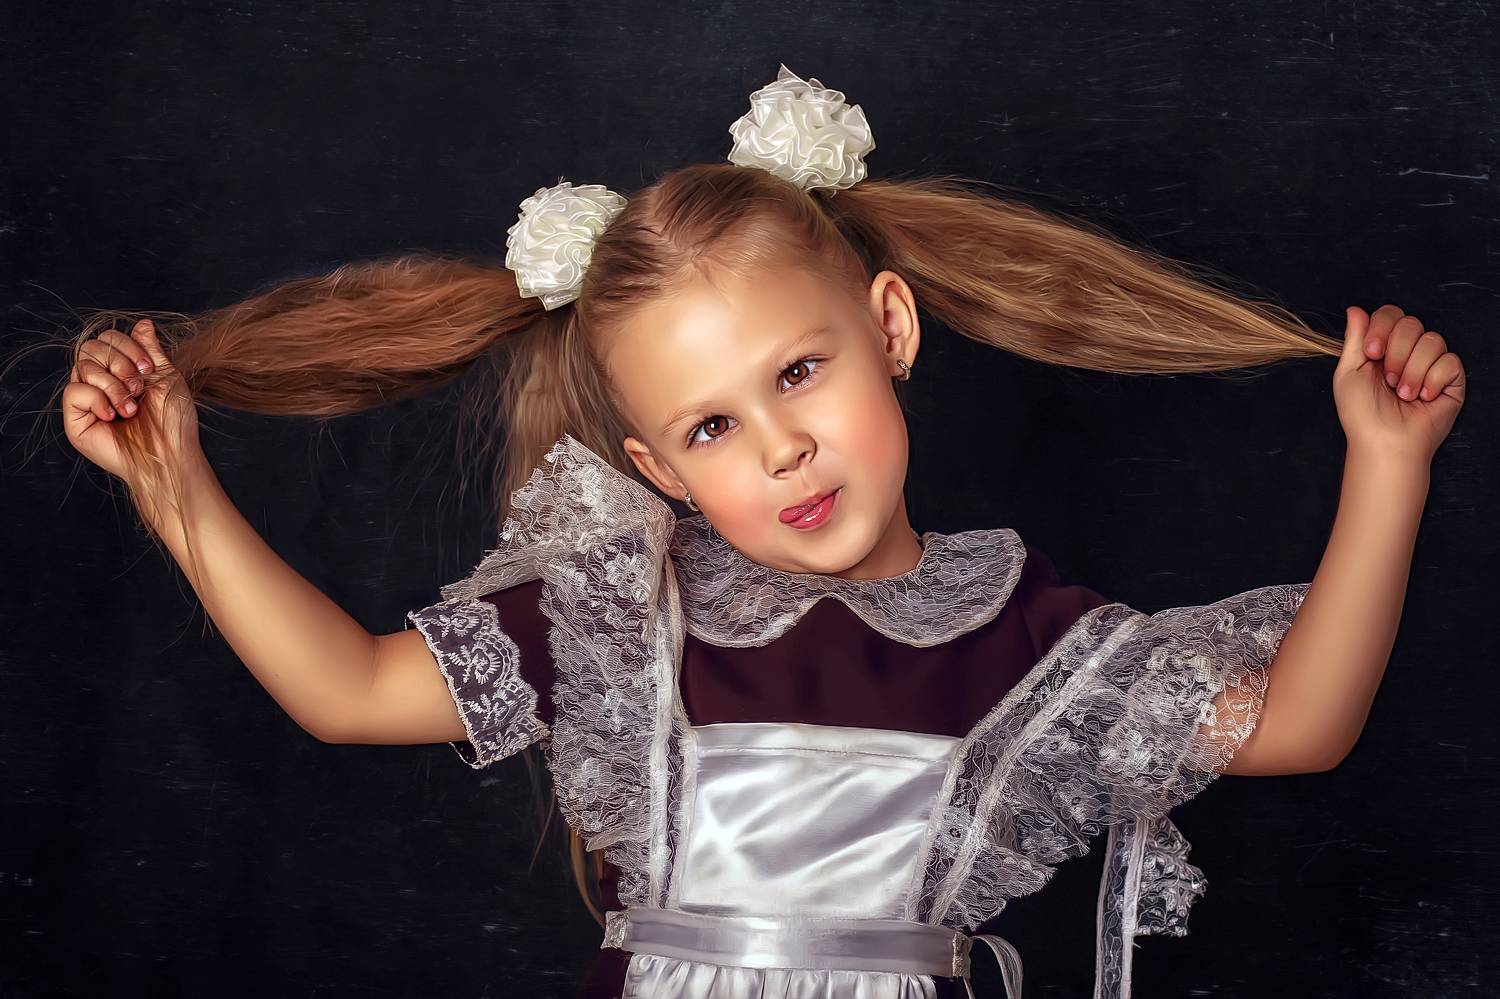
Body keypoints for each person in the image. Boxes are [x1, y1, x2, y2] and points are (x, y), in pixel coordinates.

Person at [60, 65, 1465, 998]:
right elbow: (351, 691)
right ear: (656, 471)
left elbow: (1301, 724)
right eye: (712, 428)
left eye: (798, 372)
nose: (781, 444)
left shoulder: (1026, 641)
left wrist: (1388, 465)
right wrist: (169, 482)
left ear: (890, 327)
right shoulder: (626, 617)